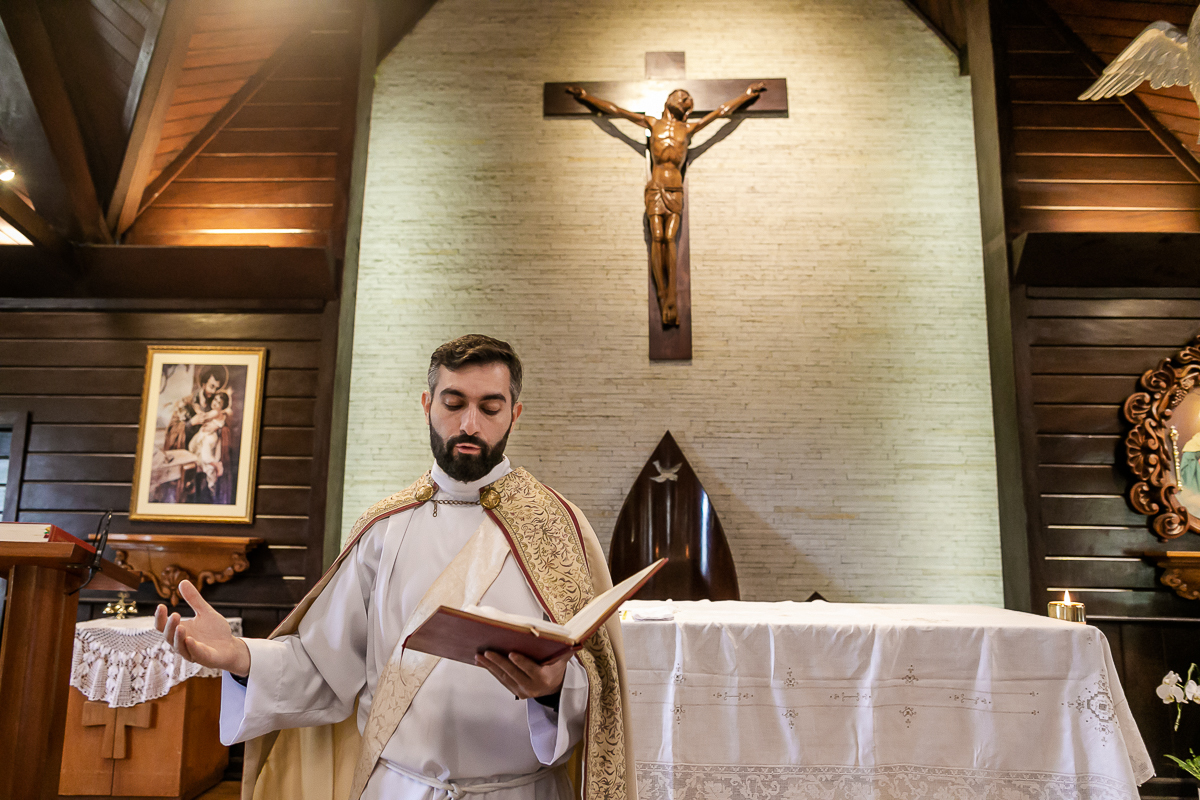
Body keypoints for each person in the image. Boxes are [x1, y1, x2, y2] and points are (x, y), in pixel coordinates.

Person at [155, 335, 636, 800]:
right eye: (453, 403)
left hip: (518, 792)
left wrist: (554, 692)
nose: (470, 423)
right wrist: (242, 657)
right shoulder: (385, 527)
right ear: (427, 405)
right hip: (398, 788)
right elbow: (326, 666)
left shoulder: (557, 525)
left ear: (515, 413)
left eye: (490, 408)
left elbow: (599, 678)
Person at [565, 83, 767, 326]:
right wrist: (586, 97)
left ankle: (672, 295)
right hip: (656, 188)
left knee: (669, 239)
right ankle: (662, 294)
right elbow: (615, 111)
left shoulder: (688, 128)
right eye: (680, 95)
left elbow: (722, 112)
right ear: (668, 99)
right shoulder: (652, 123)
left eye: (687, 99)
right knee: (657, 238)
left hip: (675, 188)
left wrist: (746, 96)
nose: (683, 99)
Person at [187, 391, 230, 494]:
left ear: (221, 407)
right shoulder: (216, 412)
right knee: (192, 448)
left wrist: (197, 410)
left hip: (209, 438)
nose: (215, 403)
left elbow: (205, 416)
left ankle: (217, 465)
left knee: (205, 457)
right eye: (215, 399)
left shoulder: (215, 412)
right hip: (204, 435)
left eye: (219, 403)